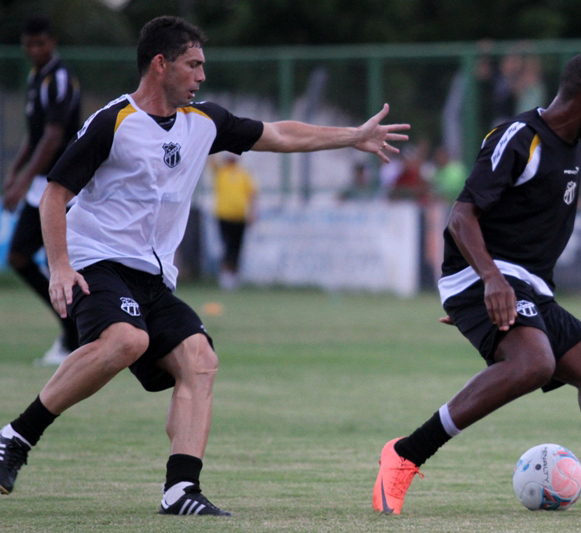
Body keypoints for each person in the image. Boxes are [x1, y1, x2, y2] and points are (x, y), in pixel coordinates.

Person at [0, 16, 409, 516]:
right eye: (192, 65)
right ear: (160, 64)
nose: (200, 76)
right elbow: (54, 195)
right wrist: (60, 267)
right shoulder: (114, 122)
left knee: (200, 360)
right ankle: (16, 437)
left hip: (153, 277)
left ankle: (180, 491)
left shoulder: (204, 122)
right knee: (128, 340)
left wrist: (351, 136)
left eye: (202, 66)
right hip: (98, 260)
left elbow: (279, 134)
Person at [372, 52, 581, 519]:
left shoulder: (576, 142)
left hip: (528, 285)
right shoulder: (519, 137)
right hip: (485, 274)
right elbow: (461, 215)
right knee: (535, 362)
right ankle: (407, 454)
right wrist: (486, 283)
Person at [2, 16, 81, 366]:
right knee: (22, 256)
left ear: (52, 42)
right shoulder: (36, 77)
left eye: (40, 43)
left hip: (63, 185)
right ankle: (73, 333)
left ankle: (75, 335)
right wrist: (15, 171)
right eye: (28, 45)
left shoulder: (60, 77)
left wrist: (22, 181)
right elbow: (33, 136)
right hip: (41, 183)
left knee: (58, 259)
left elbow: (52, 137)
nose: (34, 50)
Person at [212, 154, 257, 290]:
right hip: (224, 216)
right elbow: (210, 158)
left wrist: (252, 213)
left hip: (240, 217)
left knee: (237, 247)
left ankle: (234, 275)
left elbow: (252, 194)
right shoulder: (221, 171)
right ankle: (225, 275)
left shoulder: (243, 174)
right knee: (227, 245)